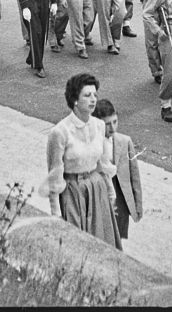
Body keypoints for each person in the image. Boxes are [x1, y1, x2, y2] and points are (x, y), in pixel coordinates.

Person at [43, 73, 120, 249]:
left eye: (95, 95)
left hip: (97, 190)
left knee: (102, 245)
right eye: (87, 95)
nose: (93, 100)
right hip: (73, 193)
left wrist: (111, 193)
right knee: (76, 245)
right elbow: (54, 175)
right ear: (75, 100)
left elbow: (102, 165)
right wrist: (56, 213)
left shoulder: (99, 125)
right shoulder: (59, 132)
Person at [94, 98, 143, 241]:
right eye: (107, 124)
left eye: (115, 122)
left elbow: (134, 176)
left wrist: (138, 205)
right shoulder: (91, 144)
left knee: (118, 235)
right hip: (101, 194)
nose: (113, 128)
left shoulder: (125, 141)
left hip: (120, 196)